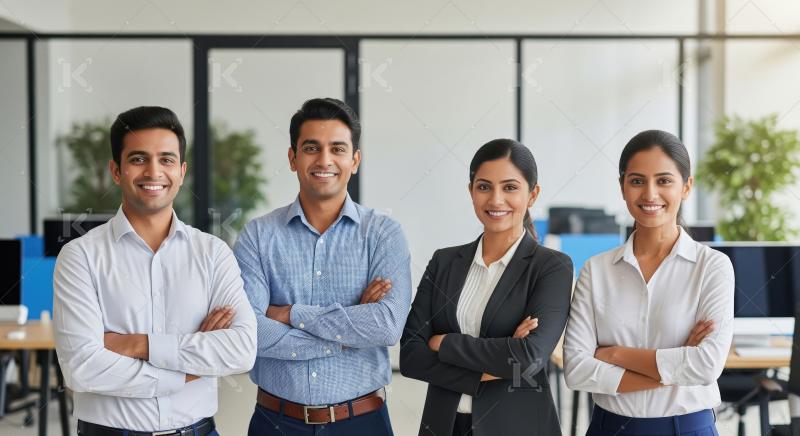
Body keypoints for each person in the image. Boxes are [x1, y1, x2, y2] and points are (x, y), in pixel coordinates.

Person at [53, 106, 257, 435]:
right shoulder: (80, 257)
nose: (153, 172)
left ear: (182, 171)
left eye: (166, 159)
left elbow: (241, 351)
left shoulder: (213, 253)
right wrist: (189, 368)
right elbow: (82, 368)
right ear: (116, 171)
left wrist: (138, 345)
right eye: (138, 159)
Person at [234, 97, 411, 435]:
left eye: (338, 149)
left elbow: (387, 327)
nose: (325, 160)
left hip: (362, 423)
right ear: (293, 158)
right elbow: (250, 332)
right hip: (275, 423)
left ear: (355, 160)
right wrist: (350, 328)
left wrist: (291, 314)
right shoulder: (258, 235)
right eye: (312, 148)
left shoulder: (384, 234)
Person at [563, 130, 734, 435]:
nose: (650, 194)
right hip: (610, 427)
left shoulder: (712, 267)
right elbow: (576, 370)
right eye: (637, 181)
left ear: (686, 186)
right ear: (622, 187)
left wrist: (614, 354)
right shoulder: (596, 270)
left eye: (664, 181)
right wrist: (676, 364)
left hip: (687, 428)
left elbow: (707, 365)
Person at [400, 138, 574, 436]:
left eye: (510, 187)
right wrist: (501, 359)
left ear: (532, 195)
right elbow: (411, 356)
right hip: (444, 424)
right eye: (484, 187)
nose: (495, 200)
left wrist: (444, 343)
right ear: (471, 191)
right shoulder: (444, 261)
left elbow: (529, 359)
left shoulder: (551, 267)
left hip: (517, 426)